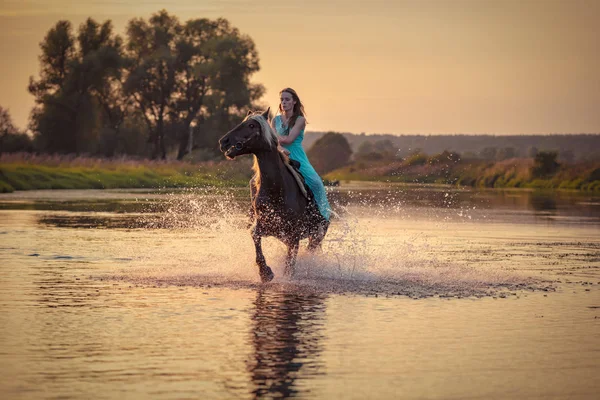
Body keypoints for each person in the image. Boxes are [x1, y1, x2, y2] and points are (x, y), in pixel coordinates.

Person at [270, 88, 332, 221]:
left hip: (296, 155)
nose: (284, 102)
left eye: (287, 99)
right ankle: (255, 215)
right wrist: (279, 148)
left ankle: (321, 216)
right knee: (255, 181)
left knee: (316, 183)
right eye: (282, 99)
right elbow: (274, 143)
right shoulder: (275, 120)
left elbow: (288, 140)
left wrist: (272, 136)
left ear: (294, 102)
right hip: (279, 154)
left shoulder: (300, 120)